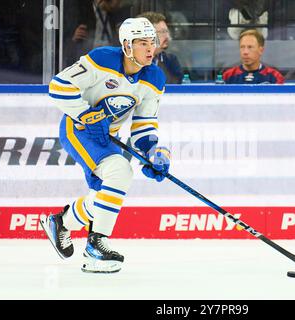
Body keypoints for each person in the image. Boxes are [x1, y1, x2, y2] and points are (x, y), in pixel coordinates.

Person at [41, 17, 170, 274]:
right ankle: (96, 246)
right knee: (120, 171)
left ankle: (61, 222)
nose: (149, 49)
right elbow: (59, 86)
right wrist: (87, 114)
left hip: (107, 135)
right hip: (79, 130)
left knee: (106, 191)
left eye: (151, 43)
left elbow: (144, 124)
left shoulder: (154, 77)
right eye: (141, 43)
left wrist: (153, 152)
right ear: (126, 45)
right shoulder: (102, 59)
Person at [64, 0, 122, 68]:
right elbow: (64, 39)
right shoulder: (80, 11)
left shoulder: (113, 15)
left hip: (109, 59)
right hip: (88, 60)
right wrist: (73, 37)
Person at [136, 11, 183, 84]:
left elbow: (176, 88)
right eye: (163, 32)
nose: (168, 36)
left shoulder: (171, 60)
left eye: (167, 32)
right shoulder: (129, 60)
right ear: (147, 34)